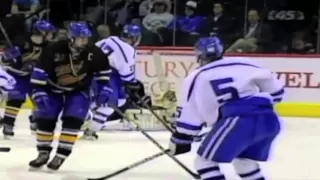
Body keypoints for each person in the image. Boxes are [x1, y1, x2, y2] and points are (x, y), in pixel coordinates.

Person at [168, 37, 284, 179]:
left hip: (237, 120)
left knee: (204, 162)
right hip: (268, 119)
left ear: (198, 54)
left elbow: (188, 113)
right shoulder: (245, 64)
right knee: (244, 162)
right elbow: (277, 93)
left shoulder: (196, 76)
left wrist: (181, 138)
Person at [28, 22, 112, 171]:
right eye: (80, 39)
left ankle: (62, 154)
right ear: (70, 38)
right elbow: (39, 73)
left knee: (73, 119)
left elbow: (103, 74)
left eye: (85, 39)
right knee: (45, 118)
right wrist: (38, 92)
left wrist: (105, 89)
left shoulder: (95, 52)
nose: (83, 42)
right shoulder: (54, 49)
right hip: (52, 88)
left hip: (79, 89)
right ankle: (43, 153)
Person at [82, 24, 150, 140]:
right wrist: (134, 87)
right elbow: (127, 76)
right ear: (134, 38)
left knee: (120, 100)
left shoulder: (110, 39)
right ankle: (90, 129)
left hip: (90, 71)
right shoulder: (128, 50)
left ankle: (90, 113)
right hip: (104, 74)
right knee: (108, 106)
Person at [0, 20, 56, 138]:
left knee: (41, 99)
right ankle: (8, 125)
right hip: (17, 75)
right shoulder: (21, 41)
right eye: (49, 33)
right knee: (16, 99)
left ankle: (35, 120)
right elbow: (4, 59)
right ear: (42, 32)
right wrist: (9, 56)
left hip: (35, 77)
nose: (51, 36)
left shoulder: (49, 47)